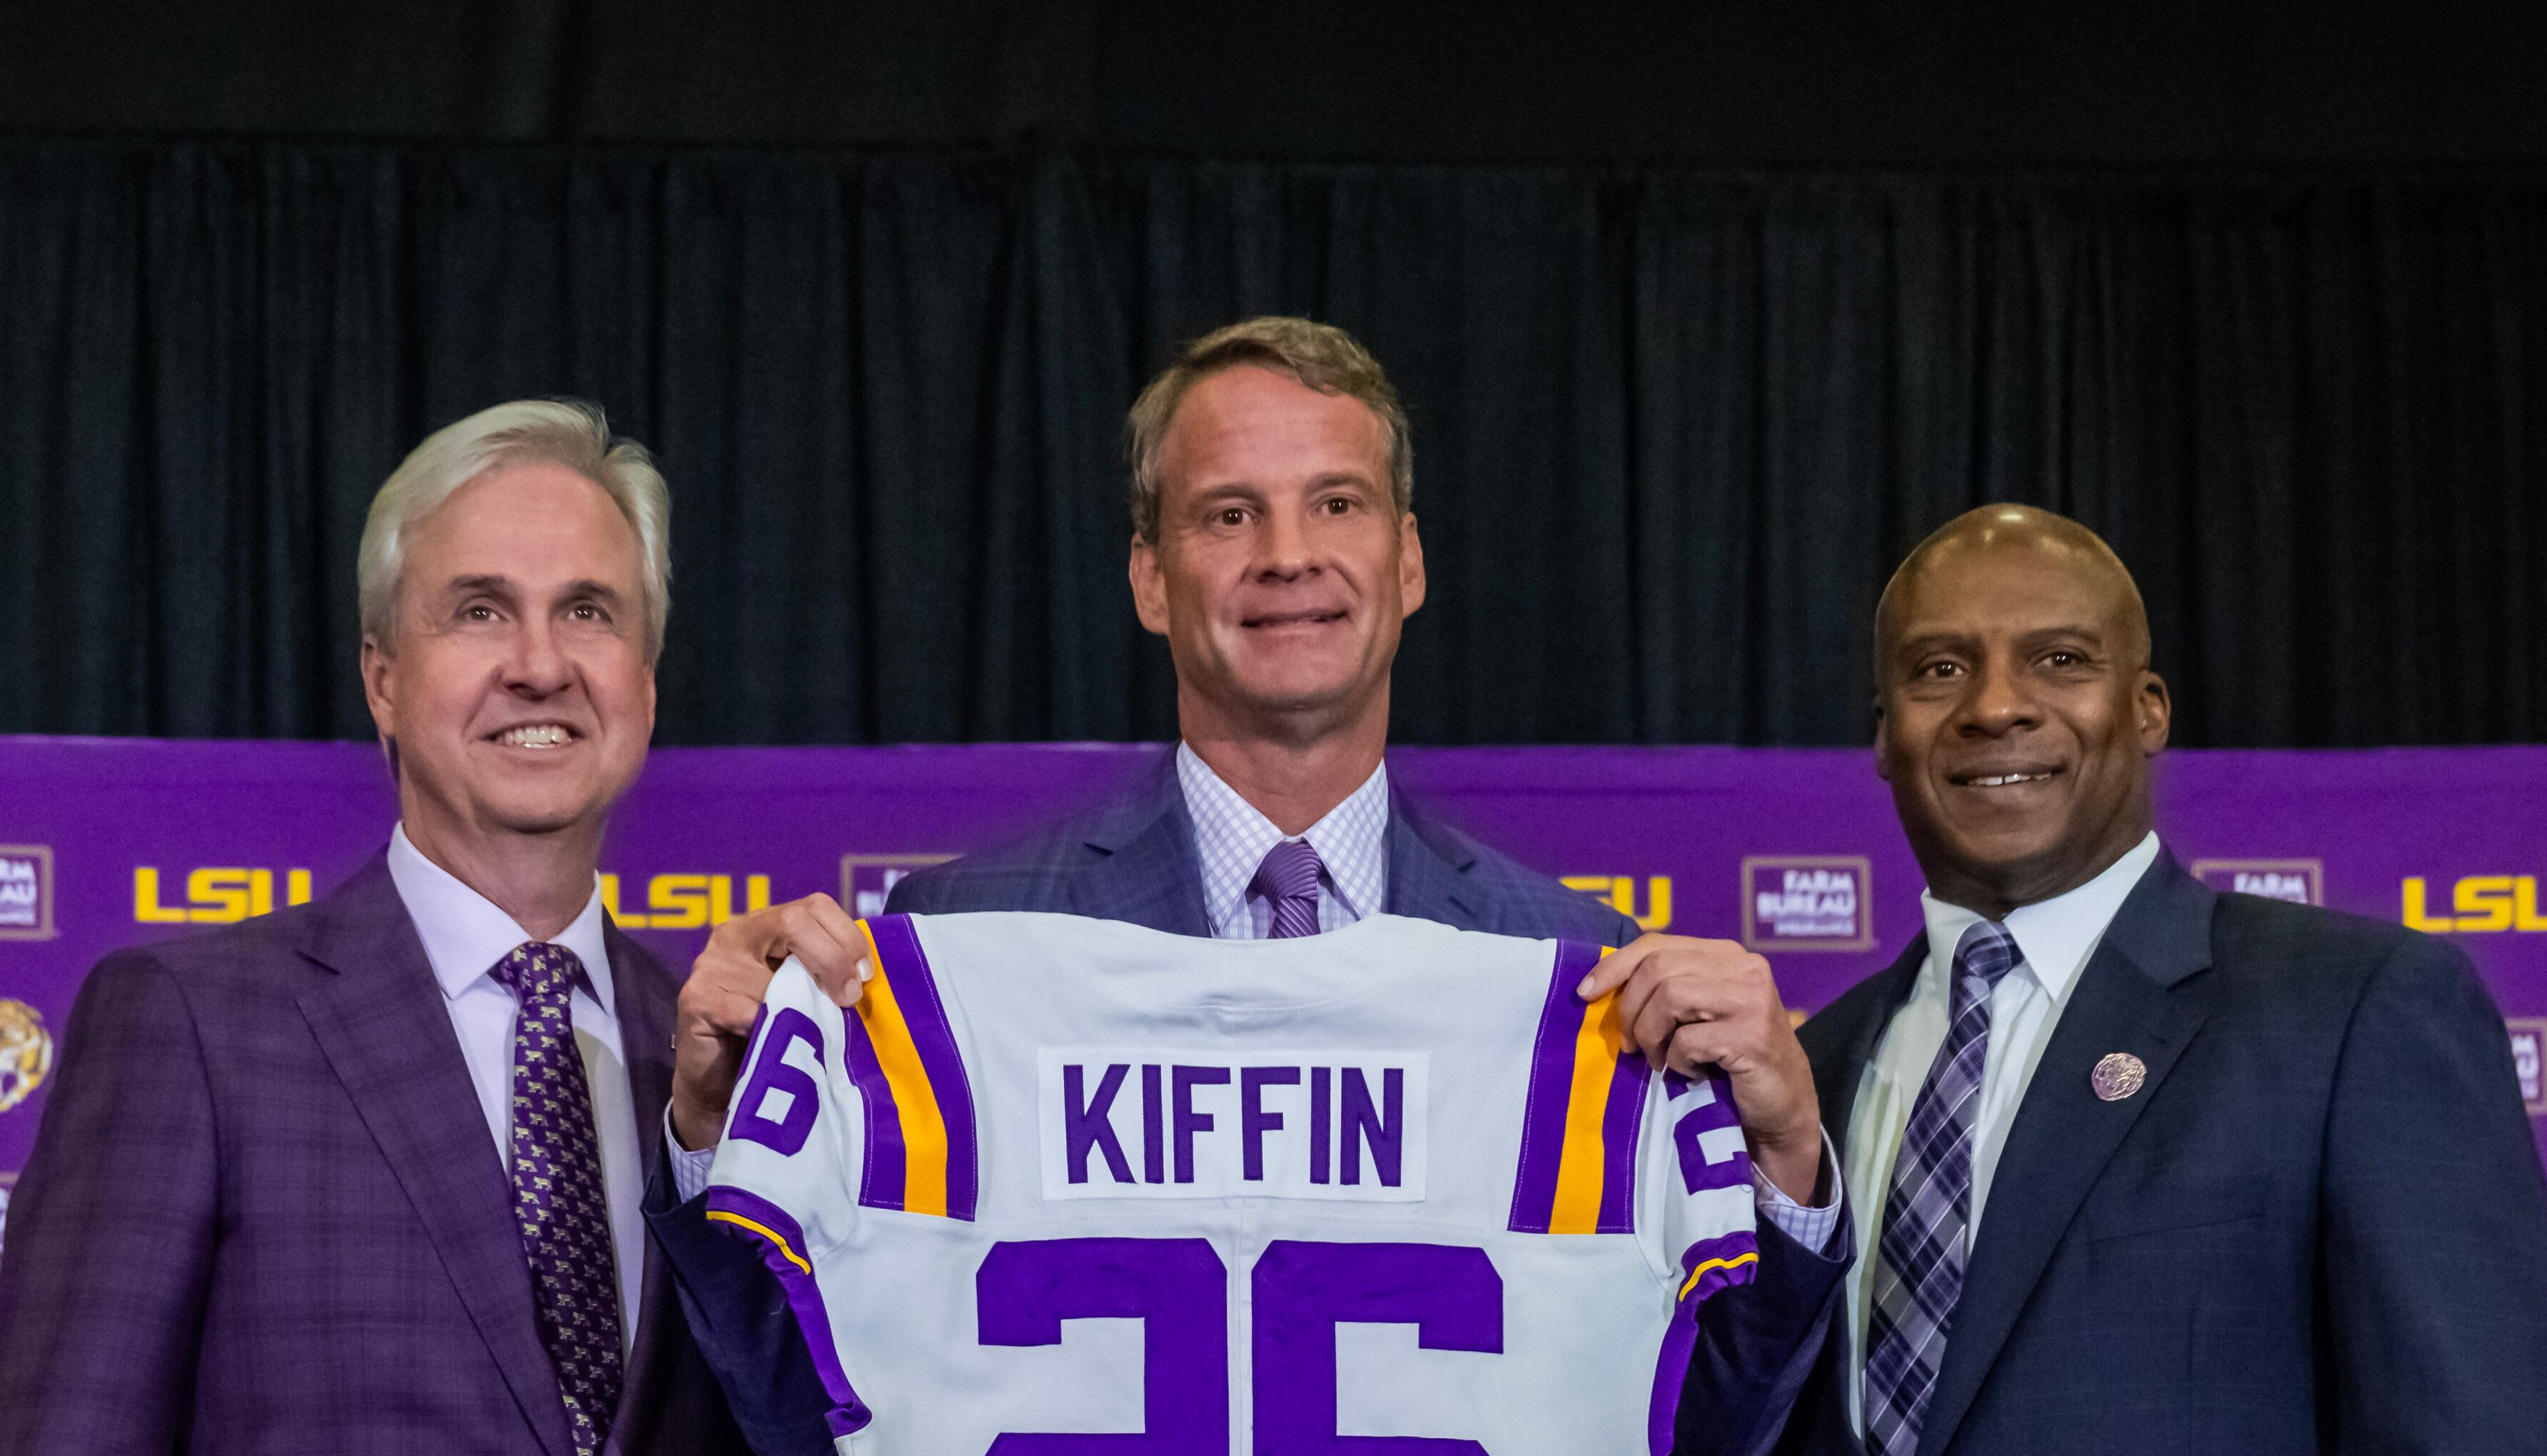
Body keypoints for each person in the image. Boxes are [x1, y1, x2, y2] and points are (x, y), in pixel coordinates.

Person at [649, 317, 1849, 1455]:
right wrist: (716, 1136)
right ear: (1149, 579)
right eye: (1230, 514)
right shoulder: (952, 951)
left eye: (1339, 502)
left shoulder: (1580, 976)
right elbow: (805, 1399)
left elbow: (1702, 1422)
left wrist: (1788, 1154)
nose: (1289, 555)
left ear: (1409, 557)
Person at [0, 402, 748, 1456]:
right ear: (382, 678)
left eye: (588, 612)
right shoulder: (192, 1026)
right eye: (480, 611)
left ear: (646, 687)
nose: (538, 664)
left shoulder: (725, 1066)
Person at [1778, 504, 2547, 1456]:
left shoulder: (2358, 1009)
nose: (1994, 705)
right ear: (1884, 733)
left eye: (2062, 660)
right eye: (1939, 669)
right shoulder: (1809, 1074)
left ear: (2149, 709)